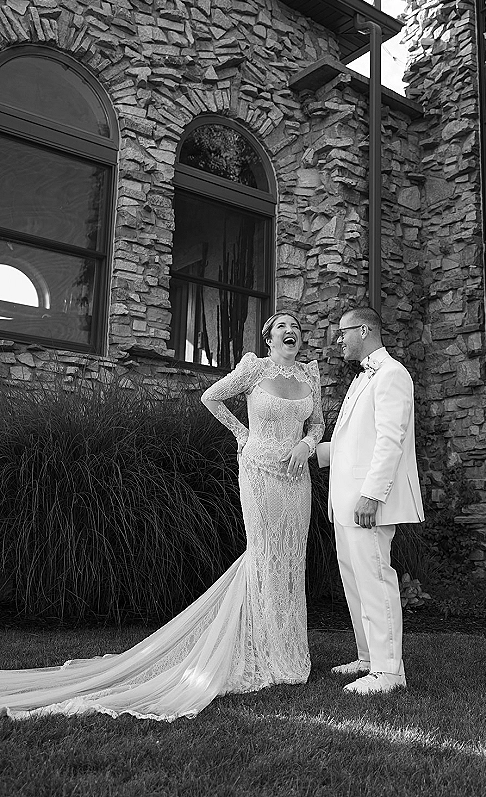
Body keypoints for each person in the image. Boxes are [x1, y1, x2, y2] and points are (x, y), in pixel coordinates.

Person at [0, 312, 324, 720]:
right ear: (269, 336)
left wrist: (308, 446)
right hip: (260, 472)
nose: (290, 330)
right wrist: (244, 435)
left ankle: (288, 651)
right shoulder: (253, 369)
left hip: (297, 479)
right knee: (264, 554)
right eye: (282, 326)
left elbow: (318, 424)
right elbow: (211, 397)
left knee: (292, 559)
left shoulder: (310, 376)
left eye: (295, 326)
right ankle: (259, 645)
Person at [317, 306, 424, 694]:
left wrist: (371, 495)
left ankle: (389, 671)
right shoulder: (363, 376)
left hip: (366, 502)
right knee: (356, 582)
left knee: (376, 581)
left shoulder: (392, 375)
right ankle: (368, 658)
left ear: (364, 330)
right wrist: (309, 449)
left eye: (343, 332)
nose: (339, 339)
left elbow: (389, 441)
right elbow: (353, 441)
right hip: (344, 501)